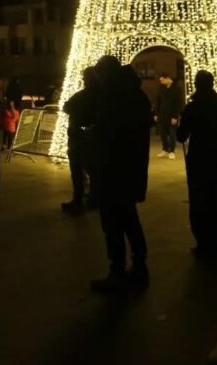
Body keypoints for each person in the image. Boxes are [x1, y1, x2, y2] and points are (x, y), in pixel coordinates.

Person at [90, 60, 152, 293]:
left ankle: (117, 271)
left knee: (113, 223)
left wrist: (94, 138)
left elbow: (108, 132)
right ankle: (139, 266)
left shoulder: (114, 97)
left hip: (114, 170)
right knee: (129, 219)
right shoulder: (135, 95)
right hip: (131, 169)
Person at [177, 70, 217, 260]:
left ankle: (203, 243)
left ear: (197, 84)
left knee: (198, 201)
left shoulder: (193, 107)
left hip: (198, 158)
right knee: (215, 199)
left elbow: (181, 136)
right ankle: (216, 241)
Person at [61, 66, 101, 214]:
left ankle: (79, 200)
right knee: (93, 171)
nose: (83, 79)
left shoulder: (83, 96)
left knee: (78, 171)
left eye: (85, 77)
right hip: (92, 139)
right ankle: (93, 198)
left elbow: (67, 107)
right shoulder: (101, 96)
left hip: (79, 138)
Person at [154, 73, 183, 159]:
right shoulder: (161, 88)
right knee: (163, 133)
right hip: (162, 115)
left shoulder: (177, 88)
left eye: (162, 80)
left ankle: (172, 151)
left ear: (167, 78)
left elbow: (179, 103)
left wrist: (175, 116)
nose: (161, 82)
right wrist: (156, 114)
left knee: (172, 133)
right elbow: (158, 101)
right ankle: (165, 149)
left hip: (172, 115)